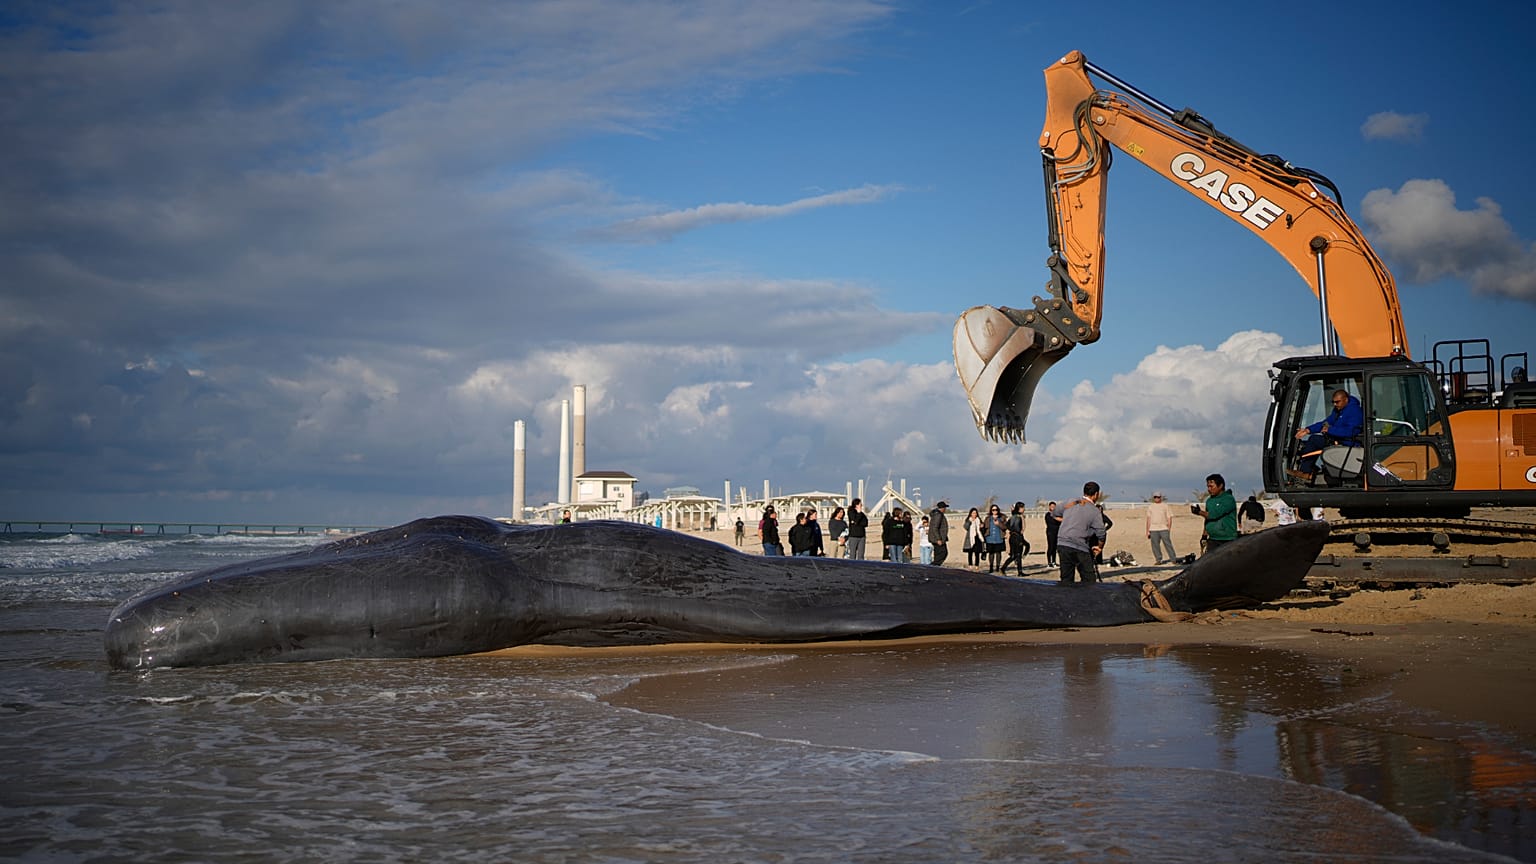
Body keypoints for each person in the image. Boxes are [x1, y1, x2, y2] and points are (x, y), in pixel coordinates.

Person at [1291, 389, 1363, 480]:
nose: (1335, 404)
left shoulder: (1354, 411)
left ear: (1346, 400)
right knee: (1306, 443)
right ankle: (1308, 469)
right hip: (1337, 439)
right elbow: (1326, 423)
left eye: (1337, 402)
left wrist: (1330, 430)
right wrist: (1308, 430)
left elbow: (1351, 431)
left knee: (1314, 440)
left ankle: (1306, 472)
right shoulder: (1338, 411)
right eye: (1333, 402)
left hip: (1347, 442)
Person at [1057, 482, 1106, 583]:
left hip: (1063, 543)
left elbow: (1055, 513)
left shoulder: (1071, 501)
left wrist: (1067, 520)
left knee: (1066, 579)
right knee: (1089, 580)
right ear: (1096, 494)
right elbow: (1101, 533)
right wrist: (1099, 547)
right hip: (1080, 546)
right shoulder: (1095, 511)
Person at [1193, 473, 1238, 555]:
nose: (1209, 489)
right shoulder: (1209, 501)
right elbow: (1207, 519)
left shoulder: (1228, 499)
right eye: (1208, 486)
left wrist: (1199, 512)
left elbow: (1214, 515)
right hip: (1213, 539)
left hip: (1227, 539)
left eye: (1211, 486)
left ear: (1220, 486)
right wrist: (1204, 536)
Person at [1144, 493, 1178, 565]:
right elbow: (1148, 519)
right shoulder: (1151, 507)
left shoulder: (1165, 506)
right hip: (1153, 528)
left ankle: (1173, 559)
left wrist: (1168, 528)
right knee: (1155, 545)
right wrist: (1147, 531)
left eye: (1158, 497)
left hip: (1163, 528)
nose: (1157, 498)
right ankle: (1158, 559)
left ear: (1160, 497)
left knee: (1168, 544)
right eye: (1155, 497)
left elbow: (1169, 517)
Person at [1000, 501, 1030, 577]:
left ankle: (1018, 571)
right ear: (1019, 508)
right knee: (1017, 555)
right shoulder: (1017, 517)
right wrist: (1019, 535)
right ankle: (1006, 569)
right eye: (1022, 507)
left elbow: (1007, 525)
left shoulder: (1013, 516)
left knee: (1015, 555)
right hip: (1017, 537)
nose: (1024, 509)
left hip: (1013, 537)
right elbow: (1016, 528)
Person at [984, 504, 1006, 573]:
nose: (995, 511)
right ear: (991, 511)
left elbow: (1005, 527)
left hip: (999, 538)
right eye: (993, 510)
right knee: (991, 553)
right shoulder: (988, 518)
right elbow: (984, 527)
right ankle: (991, 567)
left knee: (998, 553)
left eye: (996, 510)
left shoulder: (1002, 518)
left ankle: (997, 567)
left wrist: (999, 524)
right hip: (989, 538)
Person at [928, 502, 950, 566]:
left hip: (937, 538)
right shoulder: (938, 515)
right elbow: (935, 527)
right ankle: (933, 566)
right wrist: (938, 539)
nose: (945, 509)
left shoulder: (937, 514)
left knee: (938, 554)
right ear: (942, 508)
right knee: (943, 553)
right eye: (945, 507)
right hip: (938, 539)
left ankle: (935, 567)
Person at [1043, 502, 1062, 567]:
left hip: (1057, 532)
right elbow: (1051, 522)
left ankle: (1054, 561)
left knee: (1055, 547)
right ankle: (1049, 562)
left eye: (1054, 506)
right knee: (1050, 547)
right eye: (1052, 506)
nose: (1053, 508)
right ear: (1049, 507)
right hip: (1050, 532)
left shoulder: (1057, 515)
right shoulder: (1048, 515)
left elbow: (1060, 522)